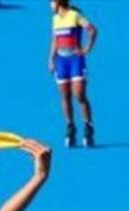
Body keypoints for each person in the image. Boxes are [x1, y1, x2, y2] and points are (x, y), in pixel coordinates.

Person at [48, 0, 96, 148]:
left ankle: (88, 127)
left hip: (76, 60)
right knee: (65, 96)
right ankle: (70, 127)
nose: (49, 5)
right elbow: (55, 40)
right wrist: (51, 59)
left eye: (51, 1)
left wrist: (86, 49)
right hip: (61, 62)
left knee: (79, 95)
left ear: (58, 2)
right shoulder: (55, 19)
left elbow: (92, 30)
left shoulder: (74, 15)